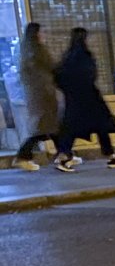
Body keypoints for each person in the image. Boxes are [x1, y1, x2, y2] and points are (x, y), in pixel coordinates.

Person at [53, 28, 115, 171]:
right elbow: (90, 76)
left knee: (74, 128)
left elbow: (58, 77)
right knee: (101, 127)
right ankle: (110, 156)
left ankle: (66, 156)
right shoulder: (85, 56)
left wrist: (69, 90)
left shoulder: (67, 57)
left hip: (74, 99)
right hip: (89, 98)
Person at [12, 23, 62, 171]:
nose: (44, 35)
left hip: (40, 94)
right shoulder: (36, 52)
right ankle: (23, 156)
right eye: (42, 32)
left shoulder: (28, 51)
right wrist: (50, 90)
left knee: (51, 128)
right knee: (42, 129)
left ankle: (64, 153)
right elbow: (45, 72)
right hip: (43, 95)